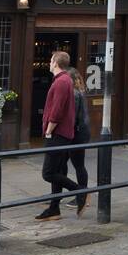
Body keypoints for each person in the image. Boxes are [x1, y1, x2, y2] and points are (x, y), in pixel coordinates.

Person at [38, 50, 80, 221]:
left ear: (55, 62)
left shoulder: (62, 81)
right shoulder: (63, 80)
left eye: (50, 60)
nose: (49, 63)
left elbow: (57, 110)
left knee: (48, 173)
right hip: (61, 133)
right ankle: (54, 209)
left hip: (58, 134)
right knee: (56, 171)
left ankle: (79, 191)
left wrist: (49, 130)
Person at [69, 68, 91, 216]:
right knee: (78, 164)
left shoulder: (75, 94)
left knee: (78, 164)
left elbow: (73, 117)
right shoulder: (80, 91)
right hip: (83, 131)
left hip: (77, 133)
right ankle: (81, 193)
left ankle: (82, 195)